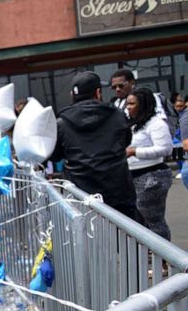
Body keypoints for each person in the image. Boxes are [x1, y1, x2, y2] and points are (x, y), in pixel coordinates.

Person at [51, 71, 139, 220]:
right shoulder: (117, 115)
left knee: (87, 238)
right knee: (124, 238)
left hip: (80, 194)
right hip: (119, 193)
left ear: (72, 94)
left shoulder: (62, 123)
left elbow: (56, 155)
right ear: (98, 93)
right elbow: (126, 141)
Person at [125, 88, 173, 239]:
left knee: (154, 221)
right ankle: (149, 257)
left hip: (152, 177)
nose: (128, 107)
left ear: (143, 105)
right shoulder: (135, 124)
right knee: (140, 221)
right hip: (134, 175)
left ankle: (165, 259)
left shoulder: (156, 123)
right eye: (127, 103)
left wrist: (134, 152)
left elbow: (166, 149)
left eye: (132, 104)